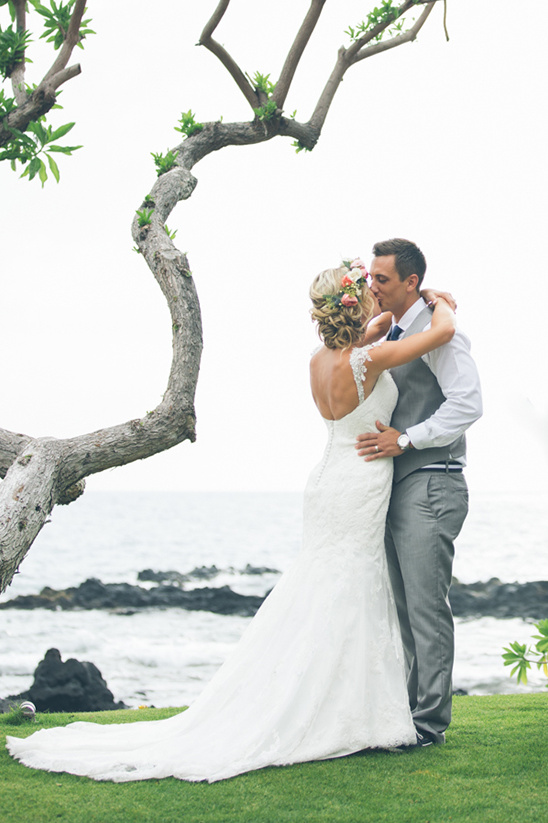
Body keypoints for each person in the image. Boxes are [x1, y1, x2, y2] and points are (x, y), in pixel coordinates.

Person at [6, 261, 456, 783]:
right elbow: (441, 332)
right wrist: (437, 299)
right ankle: (351, 713)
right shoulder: (371, 359)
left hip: (328, 479)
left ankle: (341, 704)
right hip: (358, 479)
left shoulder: (321, 360)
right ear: (355, 304)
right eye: (366, 292)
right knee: (351, 587)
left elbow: (369, 336)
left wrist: (385, 315)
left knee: (326, 587)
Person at [356, 238, 482, 747]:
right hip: (401, 486)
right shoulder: (397, 331)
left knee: (427, 609)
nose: (373, 288)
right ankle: (412, 714)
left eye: (381, 280)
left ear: (411, 282)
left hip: (434, 481)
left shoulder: (440, 335)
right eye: (369, 279)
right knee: (408, 610)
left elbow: (468, 404)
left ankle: (429, 725)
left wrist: (406, 438)